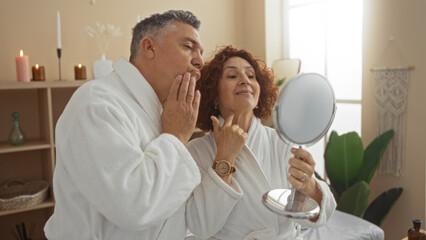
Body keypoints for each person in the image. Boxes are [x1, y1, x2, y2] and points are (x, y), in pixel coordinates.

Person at [44, 10, 204, 240]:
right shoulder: (96, 104)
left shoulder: (164, 111)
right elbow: (134, 206)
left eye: (200, 52)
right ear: (149, 48)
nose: (199, 60)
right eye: (188, 46)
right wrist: (176, 136)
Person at [185, 46, 336, 240]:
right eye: (232, 76)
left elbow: (320, 215)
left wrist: (310, 187)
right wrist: (225, 158)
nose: (245, 80)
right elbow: (201, 226)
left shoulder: (280, 142)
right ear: (213, 94)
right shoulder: (196, 152)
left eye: (251, 75)